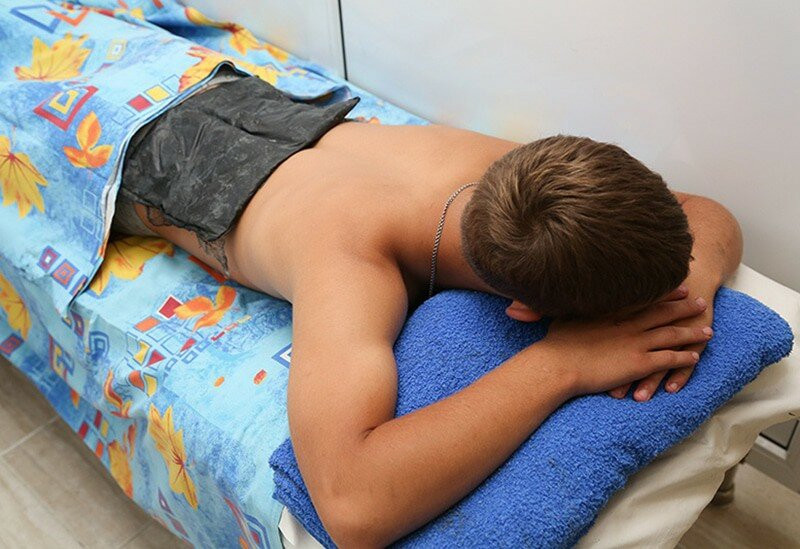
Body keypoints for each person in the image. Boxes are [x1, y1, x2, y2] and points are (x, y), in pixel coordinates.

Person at [112, 69, 742, 547]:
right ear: (523, 308)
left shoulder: (527, 176)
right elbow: (350, 503)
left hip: (244, 100)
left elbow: (705, 210)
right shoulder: (351, 265)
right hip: (149, 152)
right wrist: (562, 364)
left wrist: (690, 297)